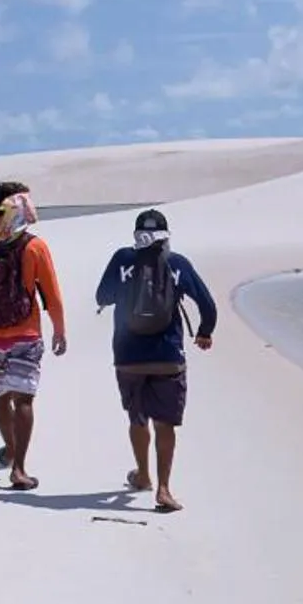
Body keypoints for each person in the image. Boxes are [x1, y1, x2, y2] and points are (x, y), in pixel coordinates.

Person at [94, 207, 217, 513]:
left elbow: (101, 296)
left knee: (137, 418)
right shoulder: (176, 263)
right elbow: (208, 305)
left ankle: (143, 475)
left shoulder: (123, 258)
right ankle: (163, 489)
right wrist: (204, 333)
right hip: (168, 357)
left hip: (128, 356)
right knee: (165, 424)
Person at [0, 180, 66, 490]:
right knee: (25, 400)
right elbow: (51, 293)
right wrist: (59, 328)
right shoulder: (34, 246)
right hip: (26, 334)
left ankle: (11, 448)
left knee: (1, 396)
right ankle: (18, 468)